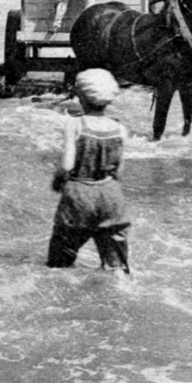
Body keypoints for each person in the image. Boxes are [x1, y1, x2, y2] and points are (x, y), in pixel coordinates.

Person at [47, 69, 131, 273]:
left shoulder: (75, 124)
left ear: (81, 96)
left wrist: (58, 182)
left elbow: (67, 166)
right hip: (111, 196)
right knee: (116, 266)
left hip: (79, 197)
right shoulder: (119, 129)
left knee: (60, 262)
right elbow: (119, 172)